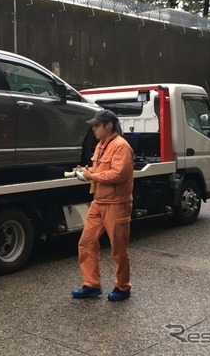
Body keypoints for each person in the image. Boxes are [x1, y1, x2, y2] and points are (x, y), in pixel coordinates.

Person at [72, 109, 134, 301]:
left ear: (109, 125)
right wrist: (86, 170)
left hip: (117, 204)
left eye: (97, 125)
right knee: (86, 242)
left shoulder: (121, 146)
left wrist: (92, 175)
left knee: (118, 248)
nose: (93, 129)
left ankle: (123, 288)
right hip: (98, 202)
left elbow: (118, 174)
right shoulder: (101, 145)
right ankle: (91, 285)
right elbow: (100, 170)